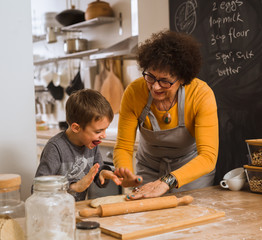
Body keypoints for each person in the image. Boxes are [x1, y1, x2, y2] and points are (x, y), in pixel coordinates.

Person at [113, 30, 219, 200]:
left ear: (182, 78)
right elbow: (123, 147)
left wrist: (167, 180)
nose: (155, 87)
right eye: (150, 77)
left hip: (190, 172)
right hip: (148, 169)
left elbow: (207, 157)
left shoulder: (201, 95)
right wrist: (125, 172)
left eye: (165, 81)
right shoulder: (134, 92)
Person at [35, 89, 121, 201]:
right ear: (76, 128)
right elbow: (38, 189)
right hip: (53, 212)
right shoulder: (55, 148)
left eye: (105, 130)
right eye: (98, 131)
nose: (103, 135)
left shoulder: (90, 144)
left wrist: (102, 174)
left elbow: (96, 173)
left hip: (75, 209)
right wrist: (74, 187)